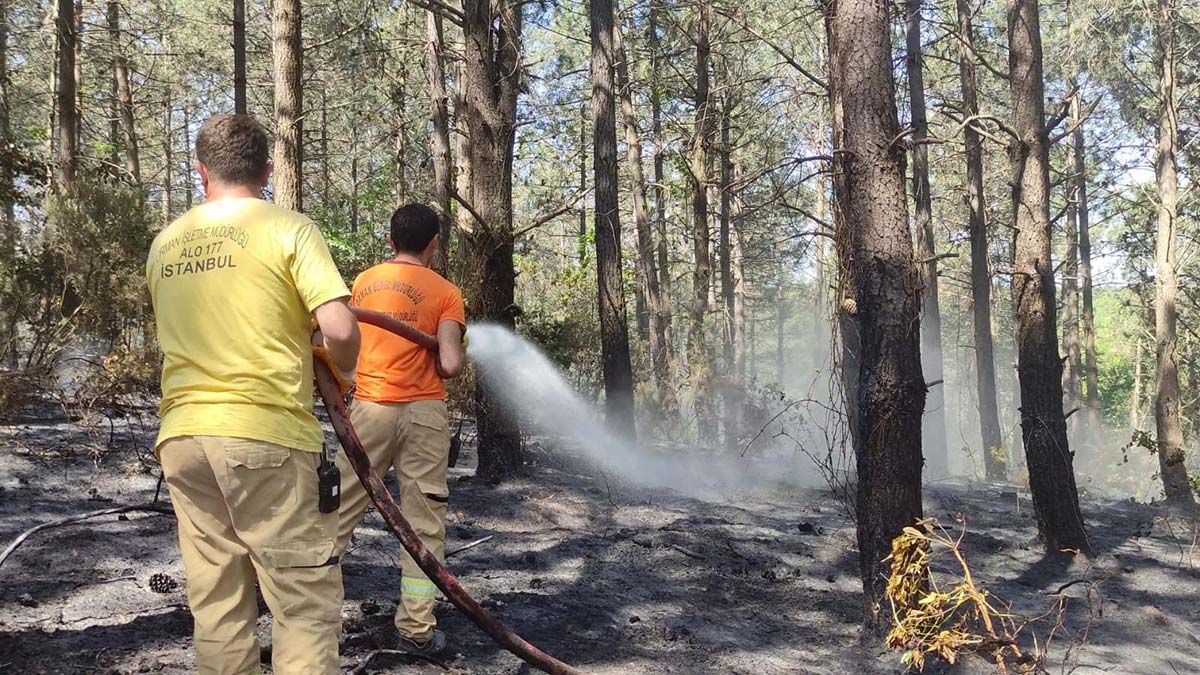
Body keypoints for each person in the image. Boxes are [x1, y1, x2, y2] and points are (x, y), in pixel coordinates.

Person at [146, 114, 360, 674]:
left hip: (183, 439)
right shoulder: (288, 229)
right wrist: (347, 374)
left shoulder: (165, 243)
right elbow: (339, 328)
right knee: (303, 603)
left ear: (201, 174)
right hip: (265, 436)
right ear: (267, 170)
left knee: (217, 603)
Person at [337, 203, 466, 657]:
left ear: (391, 241)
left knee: (334, 514)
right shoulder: (447, 291)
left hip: (369, 410)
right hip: (424, 417)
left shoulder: (364, 282)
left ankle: (311, 622)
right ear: (433, 244)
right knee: (423, 522)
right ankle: (416, 630)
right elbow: (449, 363)